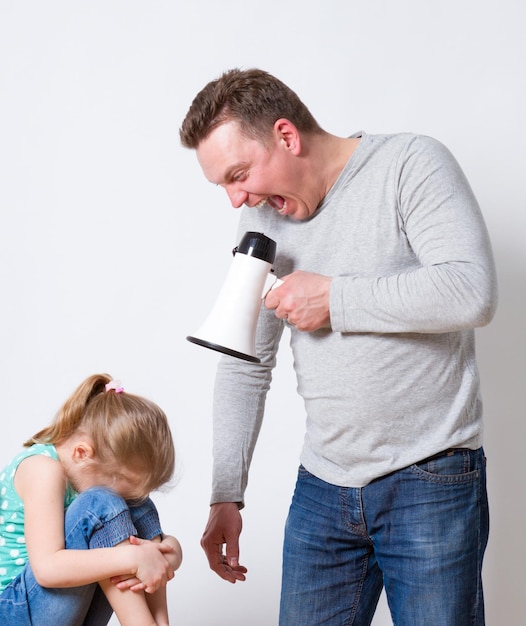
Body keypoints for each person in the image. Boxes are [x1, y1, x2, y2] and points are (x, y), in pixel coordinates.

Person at [179, 68, 498, 625]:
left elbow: (471, 291)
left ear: (286, 135)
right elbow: (244, 360)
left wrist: (335, 300)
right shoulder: (263, 215)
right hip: (323, 487)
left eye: (238, 174)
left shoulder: (410, 164)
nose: (236, 201)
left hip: (430, 480)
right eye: (223, 187)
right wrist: (226, 491)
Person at [0, 373, 183, 626]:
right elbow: (47, 568)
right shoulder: (43, 469)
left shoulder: (84, 468)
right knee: (100, 503)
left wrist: (165, 553)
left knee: (139, 505)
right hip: (12, 611)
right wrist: (133, 558)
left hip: (63, 609)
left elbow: (146, 549)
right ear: (82, 453)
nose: (119, 500)